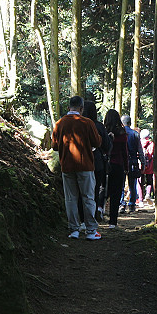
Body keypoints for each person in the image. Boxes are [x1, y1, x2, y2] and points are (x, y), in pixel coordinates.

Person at [51, 96, 101, 240]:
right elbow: (97, 142)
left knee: (70, 198)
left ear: (68, 108)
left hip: (67, 165)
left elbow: (54, 146)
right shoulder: (87, 122)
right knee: (88, 197)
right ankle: (91, 230)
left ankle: (74, 229)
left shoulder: (59, 123)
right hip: (85, 165)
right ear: (81, 108)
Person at [82, 100, 111, 222]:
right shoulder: (98, 126)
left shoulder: (79, 124)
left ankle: (82, 218)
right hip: (97, 162)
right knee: (95, 190)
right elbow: (107, 145)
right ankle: (92, 215)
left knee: (80, 191)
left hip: (80, 161)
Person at [103, 109, 128, 228]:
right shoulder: (122, 133)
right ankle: (113, 221)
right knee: (116, 193)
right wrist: (126, 168)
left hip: (104, 165)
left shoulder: (103, 131)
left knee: (102, 190)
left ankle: (98, 212)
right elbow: (124, 152)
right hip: (118, 165)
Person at [120, 115, 145, 213]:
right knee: (132, 185)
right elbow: (140, 149)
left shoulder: (119, 133)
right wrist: (143, 162)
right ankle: (132, 205)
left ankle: (122, 204)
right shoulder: (135, 134)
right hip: (133, 161)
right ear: (130, 123)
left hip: (121, 161)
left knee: (120, 185)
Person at [140, 129, 155, 207]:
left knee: (140, 182)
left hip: (140, 165)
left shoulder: (139, 142)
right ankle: (148, 194)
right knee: (149, 181)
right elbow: (151, 153)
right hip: (149, 165)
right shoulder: (151, 143)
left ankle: (140, 200)